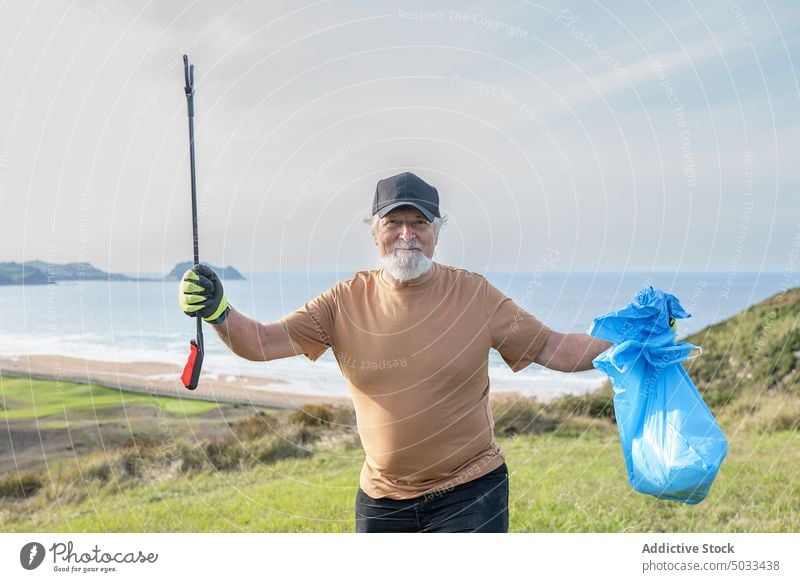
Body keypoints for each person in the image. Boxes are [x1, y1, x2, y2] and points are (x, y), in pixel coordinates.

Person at [178, 171, 612, 532]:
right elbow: (262, 342)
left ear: (436, 232)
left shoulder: (475, 294)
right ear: (376, 233)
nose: (407, 234)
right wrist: (219, 311)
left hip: (471, 493)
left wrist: (631, 341)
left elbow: (554, 348)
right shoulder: (343, 300)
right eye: (393, 223)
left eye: (419, 223)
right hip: (382, 501)